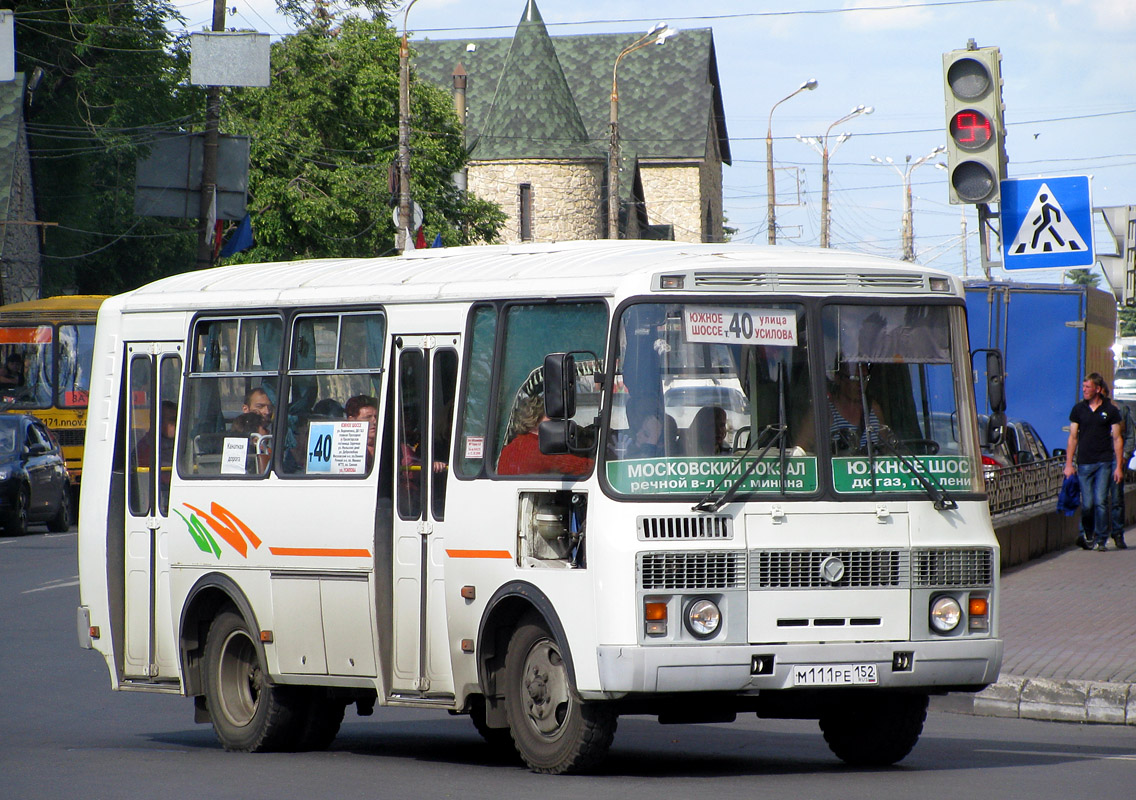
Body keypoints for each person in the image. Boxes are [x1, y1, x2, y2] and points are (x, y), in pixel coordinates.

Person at [1064, 372, 1123, 551]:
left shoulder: (1110, 411)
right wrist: (1069, 464)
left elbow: (1117, 439)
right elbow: (1073, 437)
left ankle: (1101, 538)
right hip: (1084, 463)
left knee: (1101, 501)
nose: (1084, 390)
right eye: (1083, 387)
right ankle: (1088, 533)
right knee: (1088, 503)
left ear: (1098, 389)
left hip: (1104, 461)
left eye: (1088, 387)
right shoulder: (1078, 410)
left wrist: (1118, 466)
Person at [497, 393, 592, 476]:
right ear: (535, 420)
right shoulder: (540, 450)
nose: (556, 421)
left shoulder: (509, 449)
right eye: (549, 416)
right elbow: (584, 467)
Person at [825, 362, 886, 454]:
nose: (860, 384)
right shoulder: (824, 411)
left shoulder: (874, 409)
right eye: (855, 378)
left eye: (864, 378)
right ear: (838, 379)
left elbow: (886, 450)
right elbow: (799, 451)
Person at [1102, 386, 1133, 549]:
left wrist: (1124, 458)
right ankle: (1098, 534)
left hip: (1116, 459)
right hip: (1098, 459)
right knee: (1097, 499)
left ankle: (1117, 533)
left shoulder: (1122, 411)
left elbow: (1130, 437)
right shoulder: (1088, 410)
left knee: (1116, 498)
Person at [346, 394, 379, 470]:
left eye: (376, 417)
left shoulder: (398, 449)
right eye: (367, 417)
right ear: (351, 421)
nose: (375, 421)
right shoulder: (345, 451)